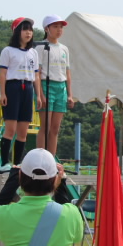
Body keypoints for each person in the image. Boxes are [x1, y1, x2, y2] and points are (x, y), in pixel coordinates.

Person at [0, 17, 42, 173]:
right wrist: (3, 93)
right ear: (17, 31)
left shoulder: (33, 53)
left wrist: (38, 95)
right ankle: (4, 163)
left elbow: (36, 76)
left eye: (30, 29)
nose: (28, 33)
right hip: (13, 87)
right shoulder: (8, 51)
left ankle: (17, 164)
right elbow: (2, 74)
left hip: (28, 87)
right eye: (25, 29)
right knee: (10, 128)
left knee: (23, 130)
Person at [36, 15, 74, 156]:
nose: (59, 30)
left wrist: (70, 95)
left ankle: (51, 159)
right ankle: (40, 158)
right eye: (55, 26)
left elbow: (68, 73)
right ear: (47, 28)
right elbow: (38, 73)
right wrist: (40, 94)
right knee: (45, 126)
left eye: (61, 27)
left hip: (61, 87)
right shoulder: (41, 47)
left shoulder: (64, 49)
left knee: (55, 128)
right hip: (47, 85)